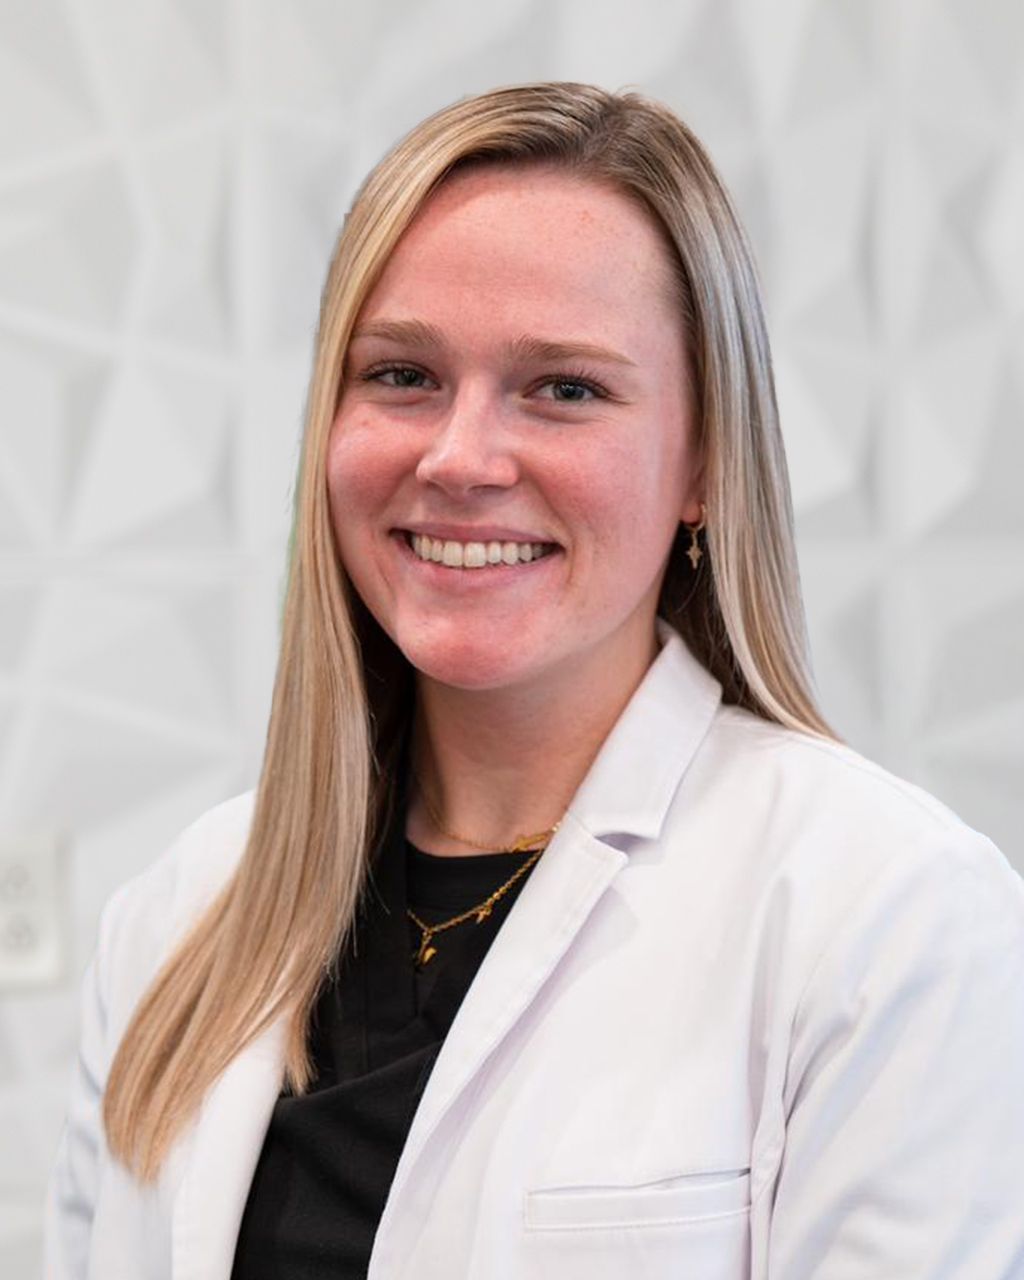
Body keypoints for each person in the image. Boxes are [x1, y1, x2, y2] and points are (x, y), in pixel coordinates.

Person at [45, 82, 1024, 1280]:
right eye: (401, 375)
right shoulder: (177, 916)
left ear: (702, 462)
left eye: (564, 387)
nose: (460, 458)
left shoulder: (885, 911)